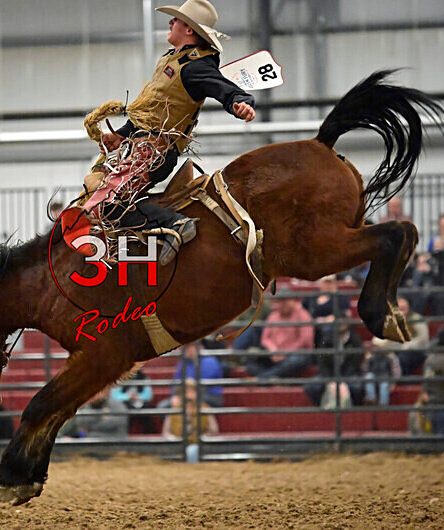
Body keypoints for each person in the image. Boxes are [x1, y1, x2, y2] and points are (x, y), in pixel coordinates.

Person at [84, 0, 256, 265]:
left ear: (188, 30)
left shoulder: (195, 67)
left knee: (104, 205)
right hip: (144, 149)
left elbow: (226, 89)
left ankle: (175, 225)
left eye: (176, 20)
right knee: (100, 200)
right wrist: (121, 135)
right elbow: (150, 113)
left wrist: (239, 104)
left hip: (154, 152)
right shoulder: (173, 60)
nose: (170, 22)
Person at [304, 313, 365, 408]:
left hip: (349, 374)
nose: (341, 324)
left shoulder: (355, 340)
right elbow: (322, 362)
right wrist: (331, 381)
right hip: (329, 374)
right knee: (311, 386)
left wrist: (342, 381)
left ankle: (353, 412)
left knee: (357, 387)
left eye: (343, 321)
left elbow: (355, 364)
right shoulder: (326, 339)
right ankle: (321, 410)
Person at [246, 296, 314, 379]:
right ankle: (272, 378)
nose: (283, 304)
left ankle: (263, 378)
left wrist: (285, 352)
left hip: (294, 354)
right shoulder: (273, 316)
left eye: (286, 301)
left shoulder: (303, 315)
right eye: (280, 301)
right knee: (251, 360)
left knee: (298, 360)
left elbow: (305, 340)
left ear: (293, 301)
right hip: (274, 354)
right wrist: (273, 349)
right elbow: (265, 338)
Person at [162, 378, 218, 463]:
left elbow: (213, 430)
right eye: (186, 392)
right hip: (178, 444)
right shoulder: (174, 411)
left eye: (192, 391)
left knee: (193, 451)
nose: (189, 396)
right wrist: (174, 439)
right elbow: (166, 432)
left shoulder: (205, 409)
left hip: (198, 444)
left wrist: (203, 437)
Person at [375, 297, 429, 375]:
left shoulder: (417, 319)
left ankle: (404, 381)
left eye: (403, 309)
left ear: (408, 308)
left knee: (403, 358)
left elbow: (423, 339)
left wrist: (407, 346)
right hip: (395, 350)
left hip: (415, 351)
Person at [61, 387, 128, 439]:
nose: (96, 393)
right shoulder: (84, 406)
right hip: (87, 446)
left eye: (101, 390)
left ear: (108, 390)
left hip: (113, 445)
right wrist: (102, 416)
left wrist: (89, 431)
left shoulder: (119, 406)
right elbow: (80, 426)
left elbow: (112, 424)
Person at [172, 341, 223, 406]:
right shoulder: (183, 363)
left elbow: (205, 383)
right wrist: (175, 395)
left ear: (199, 346)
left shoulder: (210, 361)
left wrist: (192, 392)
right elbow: (176, 382)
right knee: (164, 406)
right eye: (186, 347)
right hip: (187, 395)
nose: (188, 349)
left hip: (210, 395)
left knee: (192, 400)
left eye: (191, 346)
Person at [111, 368, 154, 433]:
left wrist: (137, 397)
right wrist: (128, 396)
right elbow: (115, 396)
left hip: (140, 402)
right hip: (126, 403)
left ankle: (148, 434)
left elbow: (148, 395)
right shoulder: (119, 378)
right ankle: (125, 434)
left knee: (147, 409)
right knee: (123, 409)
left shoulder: (144, 378)